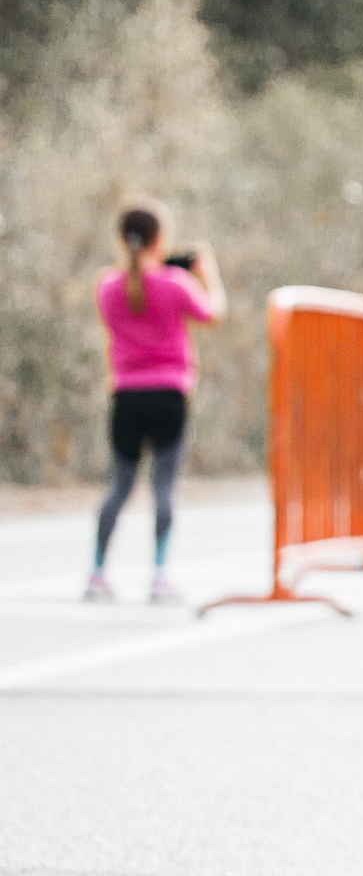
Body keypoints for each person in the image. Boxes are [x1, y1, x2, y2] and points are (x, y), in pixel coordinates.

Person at [88, 200, 226, 602]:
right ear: (159, 239)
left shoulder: (107, 287)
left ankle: (97, 573)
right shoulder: (175, 284)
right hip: (169, 395)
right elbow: (213, 314)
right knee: (163, 488)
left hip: (126, 395)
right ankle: (159, 577)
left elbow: (124, 310)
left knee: (119, 485)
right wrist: (208, 275)